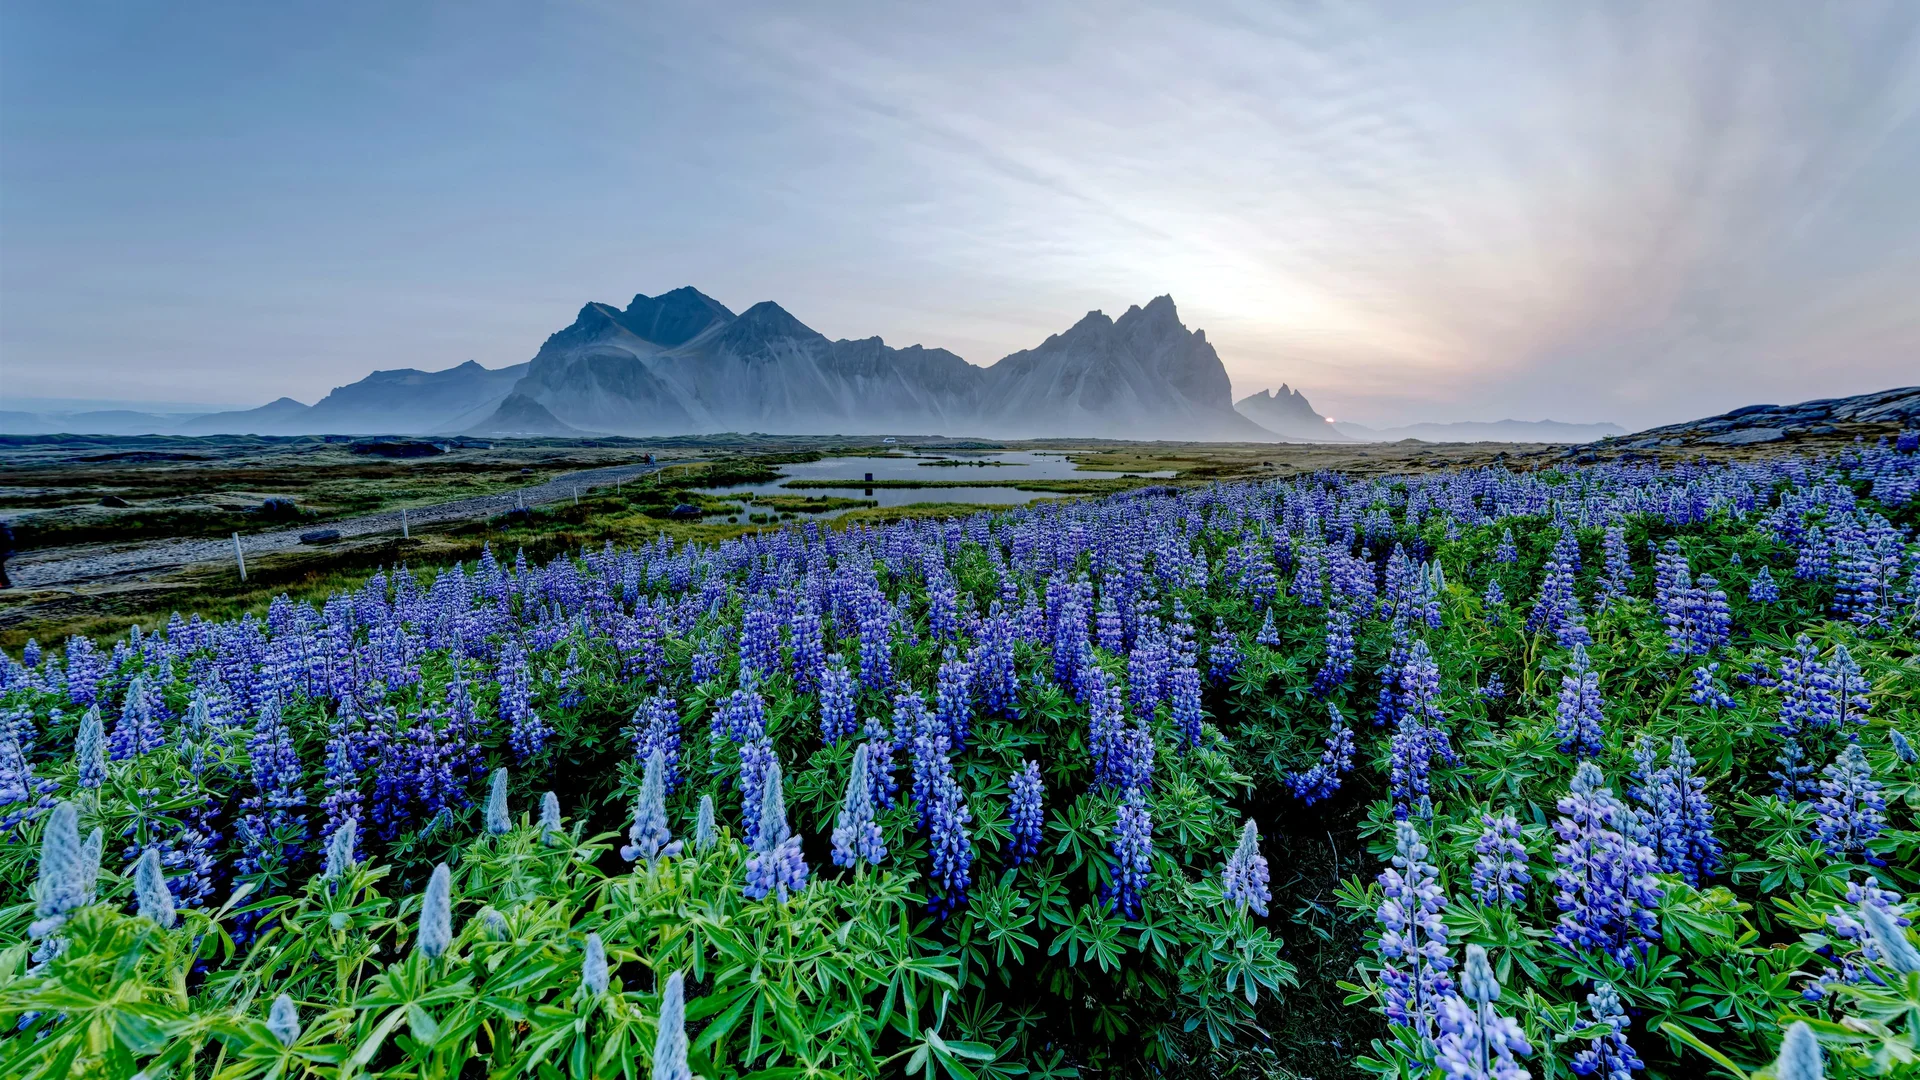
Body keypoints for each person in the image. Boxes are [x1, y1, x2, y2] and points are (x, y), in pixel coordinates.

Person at [0, 519, 14, 589]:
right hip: (6, 551)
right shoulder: (4, 527)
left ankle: (5, 584)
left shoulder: (2, 528)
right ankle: (5, 583)